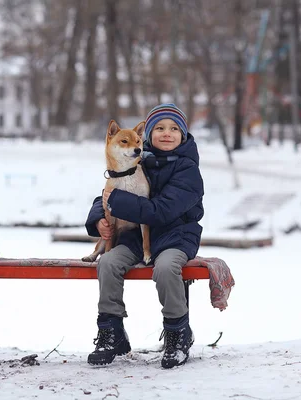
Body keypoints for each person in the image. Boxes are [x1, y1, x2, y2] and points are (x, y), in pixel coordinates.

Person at [85, 103, 204, 369]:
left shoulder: (188, 170)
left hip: (176, 236)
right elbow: (105, 195)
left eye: (174, 129)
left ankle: (177, 333)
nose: (166, 133)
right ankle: (111, 332)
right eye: (159, 128)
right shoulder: (137, 159)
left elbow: (162, 211)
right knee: (108, 262)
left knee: (165, 267)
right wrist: (98, 219)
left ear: (183, 135)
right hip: (137, 238)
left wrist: (116, 201)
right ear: (148, 135)